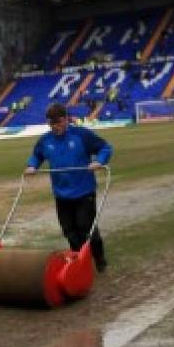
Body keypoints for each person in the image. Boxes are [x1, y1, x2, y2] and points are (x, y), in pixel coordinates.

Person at [25, 102, 111, 273]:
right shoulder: (46, 140)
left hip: (83, 191)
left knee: (86, 228)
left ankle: (99, 260)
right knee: (69, 232)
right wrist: (32, 165)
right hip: (61, 194)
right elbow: (37, 155)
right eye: (51, 124)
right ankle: (80, 263)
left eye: (58, 123)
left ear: (66, 119)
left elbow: (105, 148)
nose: (55, 127)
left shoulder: (81, 135)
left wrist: (99, 161)